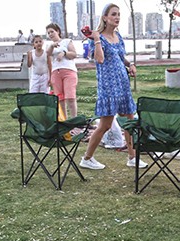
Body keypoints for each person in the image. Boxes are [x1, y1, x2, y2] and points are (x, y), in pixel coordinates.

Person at [79, 3, 147, 170]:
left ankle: (132, 157)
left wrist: (130, 65)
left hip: (122, 85)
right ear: (105, 18)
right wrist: (95, 39)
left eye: (118, 14)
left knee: (130, 121)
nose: (117, 17)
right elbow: (100, 59)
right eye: (113, 14)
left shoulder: (118, 36)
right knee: (105, 125)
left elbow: (121, 56)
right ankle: (87, 158)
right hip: (108, 87)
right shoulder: (98, 38)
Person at [46, 23, 79, 118]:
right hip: (56, 72)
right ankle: (64, 120)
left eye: (52, 31)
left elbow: (73, 54)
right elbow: (48, 54)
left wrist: (64, 53)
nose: (51, 34)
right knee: (60, 99)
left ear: (58, 31)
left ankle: (74, 119)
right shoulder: (49, 45)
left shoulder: (67, 41)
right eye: (48, 33)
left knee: (70, 97)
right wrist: (52, 46)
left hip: (69, 71)